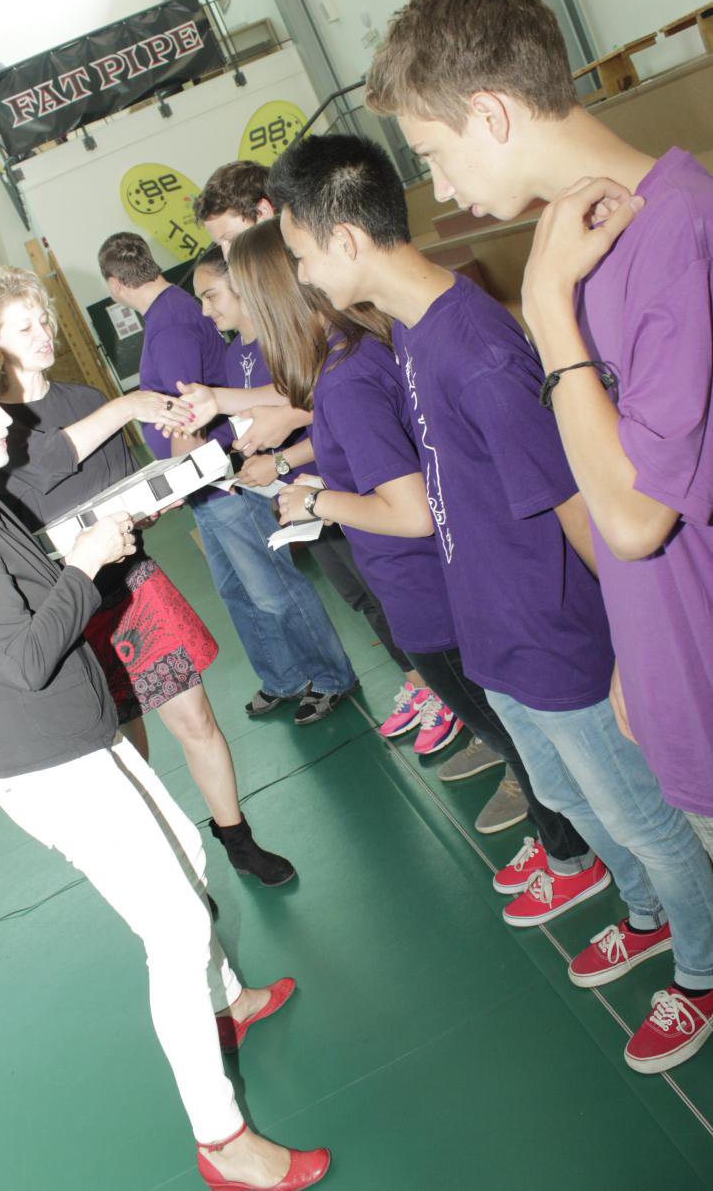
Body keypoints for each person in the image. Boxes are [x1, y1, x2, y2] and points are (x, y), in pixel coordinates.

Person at [271, 125, 713, 1075]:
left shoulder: (475, 348)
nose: (301, 276)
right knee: (564, 795)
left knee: (642, 819)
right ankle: (646, 916)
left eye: (301, 254)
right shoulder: (412, 333)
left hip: (556, 638)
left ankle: (702, 967)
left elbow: (577, 504)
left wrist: (629, 650)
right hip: (495, 633)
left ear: (343, 239)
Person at [0, 335, 330, 1191]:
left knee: (186, 854)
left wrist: (82, 547)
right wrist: (83, 566)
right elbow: (24, 659)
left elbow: (21, 597)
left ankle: (227, 1003)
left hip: (78, 740)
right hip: (50, 764)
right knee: (175, 928)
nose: (3, 418)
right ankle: (222, 1140)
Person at [0, 267, 295, 887]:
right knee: (125, 754)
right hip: (70, 608)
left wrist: (159, 493)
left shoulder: (86, 399)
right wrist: (129, 404)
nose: (43, 333)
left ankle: (238, 840)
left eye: (43, 319)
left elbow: (126, 482)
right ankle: (168, 872)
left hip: (133, 584)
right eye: (24, 327)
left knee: (197, 720)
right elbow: (42, 471)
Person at [193, 159, 435, 745]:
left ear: (266, 215)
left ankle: (442, 692)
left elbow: (325, 394)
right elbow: (308, 395)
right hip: (334, 485)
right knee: (366, 595)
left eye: (228, 239)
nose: (226, 256)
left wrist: (291, 462)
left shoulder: (340, 342)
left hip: (360, 494)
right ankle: (428, 685)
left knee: (400, 598)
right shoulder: (314, 340)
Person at [97, 230, 358, 727]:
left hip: (219, 478)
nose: (207, 307)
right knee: (237, 588)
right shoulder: (172, 315)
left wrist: (176, 482)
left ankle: (330, 675)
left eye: (212, 296)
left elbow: (187, 415)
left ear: (114, 285)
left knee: (270, 587)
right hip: (205, 483)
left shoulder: (170, 322)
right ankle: (283, 676)